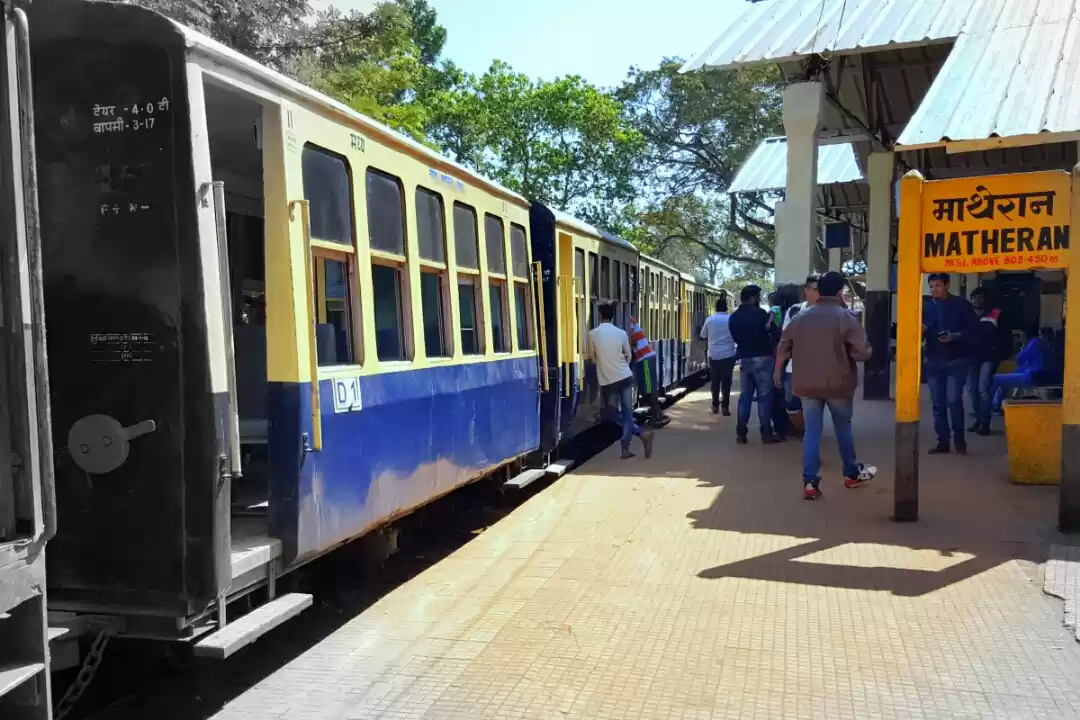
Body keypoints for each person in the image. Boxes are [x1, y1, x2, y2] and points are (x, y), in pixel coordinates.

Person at [775, 271, 876, 500]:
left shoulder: (801, 317)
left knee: (811, 432)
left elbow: (783, 346)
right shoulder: (846, 317)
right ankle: (851, 474)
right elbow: (863, 352)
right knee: (843, 428)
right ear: (841, 292)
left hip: (807, 385)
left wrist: (778, 369)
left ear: (819, 291)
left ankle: (810, 482)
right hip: (838, 384)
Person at [588, 303, 654, 459]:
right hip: (625, 377)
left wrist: (604, 364)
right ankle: (632, 443)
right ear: (612, 317)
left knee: (609, 414)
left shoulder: (593, 334)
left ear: (600, 316)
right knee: (627, 414)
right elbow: (629, 356)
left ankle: (640, 436)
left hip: (608, 381)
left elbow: (592, 357)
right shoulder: (622, 333)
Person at [923, 273, 977, 454]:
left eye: (937, 285)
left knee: (953, 401)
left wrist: (955, 336)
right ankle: (943, 442)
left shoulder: (961, 305)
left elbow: (974, 330)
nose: (933, 289)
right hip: (933, 361)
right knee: (938, 404)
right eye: (931, 286)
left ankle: (959, 440)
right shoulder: (926, 306)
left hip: (957, 361)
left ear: (947, 285)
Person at [728, 284, 779, 445]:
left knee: (745, 397)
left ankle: (741, 433)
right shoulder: (762, 314)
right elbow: (774, 332)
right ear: (753, 298)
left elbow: (735, 338)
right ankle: (766, 432)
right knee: (764, 397)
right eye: (758, 297)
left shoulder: (734, 317)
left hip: (744, 359)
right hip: (764, 359)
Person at [780, 274, 821, 437]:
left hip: (819, 368)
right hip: (794, 367)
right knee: (791, 404)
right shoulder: (795, 310)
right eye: (815, 289)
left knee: (814, 408)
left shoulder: (831, 311)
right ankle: (804, 431)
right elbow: (786, 337)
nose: (819, 293)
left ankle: (811, 438)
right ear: (806, 291)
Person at [989, 326, 1050, 414]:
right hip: (1038, 375)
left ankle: (988, 406)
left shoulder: (1035, 343)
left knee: (995, 379)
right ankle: (995, 405)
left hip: (1034, 377)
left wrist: (1024, 346)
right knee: (1005, 381)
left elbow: (1019, 360)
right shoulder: (1043, 344)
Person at [966, 287, 1000, 436]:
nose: (977, 300)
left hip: (988, 358)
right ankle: (979, 420)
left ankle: (985, 424)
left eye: (980, 297)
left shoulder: (996, 314)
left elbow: (1004, 335)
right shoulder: (967, 315)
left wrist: (999, 353)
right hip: (971, 358)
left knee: (983, 390)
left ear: (986, 299)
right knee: (972, 391)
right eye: (974, 298)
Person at [628, 315, 670, 428]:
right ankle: (656, 416)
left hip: (644, 359)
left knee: (648, 389)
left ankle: (659, 416)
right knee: (648, 389)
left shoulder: (629, 326)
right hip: (646, 357)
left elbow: (632, 344)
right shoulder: (632, 323)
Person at [700, 293, 736, 415]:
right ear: (726, 307)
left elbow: (703, 335)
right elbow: (736, 336)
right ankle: (725, 407)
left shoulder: (710, 319)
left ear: (716, 308)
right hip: (728, 355)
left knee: (715, 381)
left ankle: (715, 406)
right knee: (726, 381)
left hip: (713, 355)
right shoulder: (731, 319)